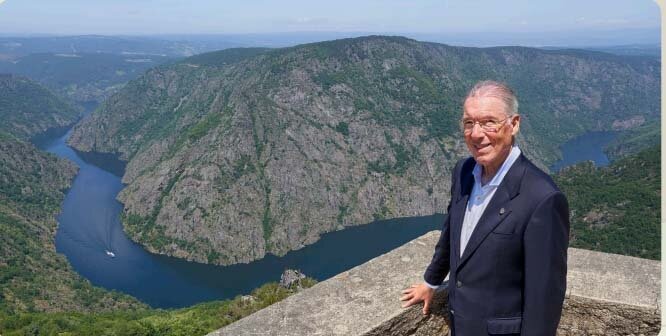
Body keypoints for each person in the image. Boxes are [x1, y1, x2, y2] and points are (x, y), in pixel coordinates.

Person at [400, 80, 570, 335]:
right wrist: (430, 281)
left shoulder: (542, 198)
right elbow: (452, 234)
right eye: (469, 123)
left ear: (514, 125)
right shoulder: (463, 171)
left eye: (489, 122)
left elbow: (544, 297)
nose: (476, 133)